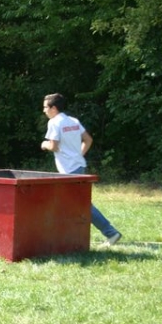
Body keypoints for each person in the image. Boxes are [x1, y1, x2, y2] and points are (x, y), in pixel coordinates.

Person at [41, 93, 122, 246]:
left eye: (45, 107)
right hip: (78, 166)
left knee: (82, 205)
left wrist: (44, 145)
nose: (44, 110)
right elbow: (88, 140)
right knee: (69, 203)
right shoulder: (73, 121)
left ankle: (111, 233)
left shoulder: (54, 123)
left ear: (54, 108)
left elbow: (53, 146)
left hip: (69, 171)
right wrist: (79, 154)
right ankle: (65, 236)